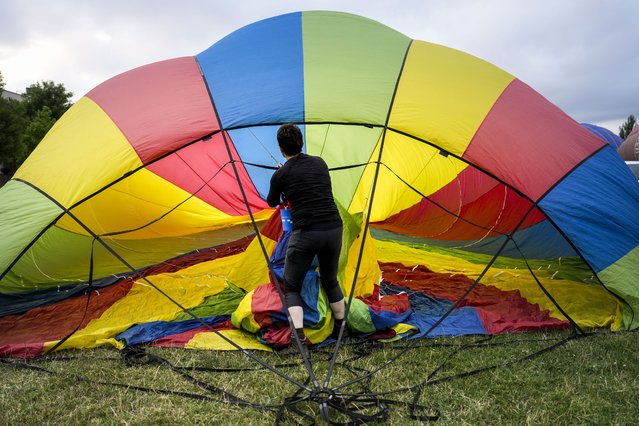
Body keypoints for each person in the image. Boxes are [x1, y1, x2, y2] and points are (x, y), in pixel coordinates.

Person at [267, 123, 347, 348]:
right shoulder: (320, 163)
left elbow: (272, 201)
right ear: (301, 143)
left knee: (292, 287)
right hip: (333, 229)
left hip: (306, 234)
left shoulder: (281, 174)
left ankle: (298, 337)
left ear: (281, 149)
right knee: (330, 280)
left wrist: (279, 176)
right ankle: (342, 328)